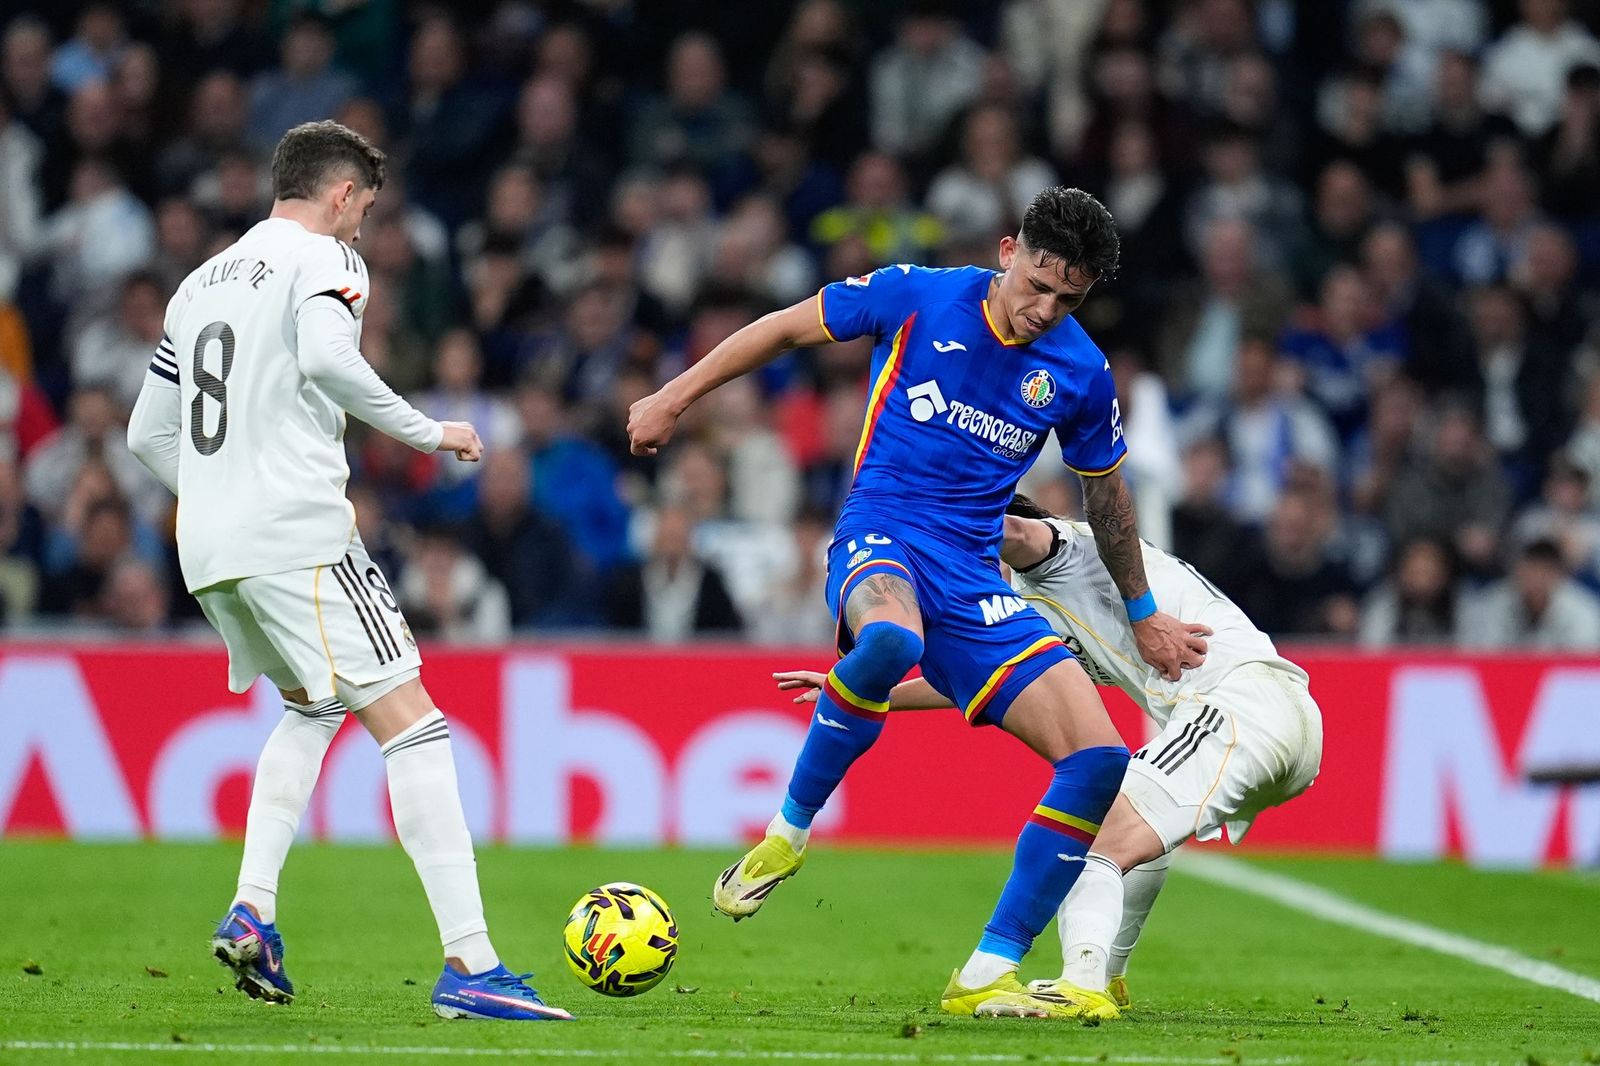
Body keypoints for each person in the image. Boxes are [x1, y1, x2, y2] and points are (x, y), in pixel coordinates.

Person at [628, 186, 1209, 1021]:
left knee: (1098, 759)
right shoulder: (919, 293)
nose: (1045, 308)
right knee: (894, 642)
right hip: (882, 536)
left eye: (1068, 298)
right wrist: (672, 398)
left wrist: (1143, 608)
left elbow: (1107, 503)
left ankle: (984, 974)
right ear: (1010, 250)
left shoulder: (1078, 371)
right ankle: (787, 837)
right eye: (1038, 282)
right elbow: (783, 327)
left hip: (974, 574)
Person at [125, 121, 570, 1022]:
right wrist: (430, 429)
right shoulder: (324, 261)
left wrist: (219, 495)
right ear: (338, 196)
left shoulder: (197, 284)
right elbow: (331, 360)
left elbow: (146, 435)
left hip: (211, 548)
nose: (361, 228)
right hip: (299, 533)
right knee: (416, 727)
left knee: (313, 705)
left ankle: (254, 911)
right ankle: (473, 966)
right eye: (362, 209)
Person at [770, 493, 1322, 1013]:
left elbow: (1013, 531)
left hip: (1242, 704)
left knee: (1092, 833)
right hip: (1266, 719)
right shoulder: (1030, 619)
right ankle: (1107, 976)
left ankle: (1082, 985)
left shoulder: (1062, 551)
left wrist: (937, 525)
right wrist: (864, 686)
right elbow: (964, 683)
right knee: (1136, 835)